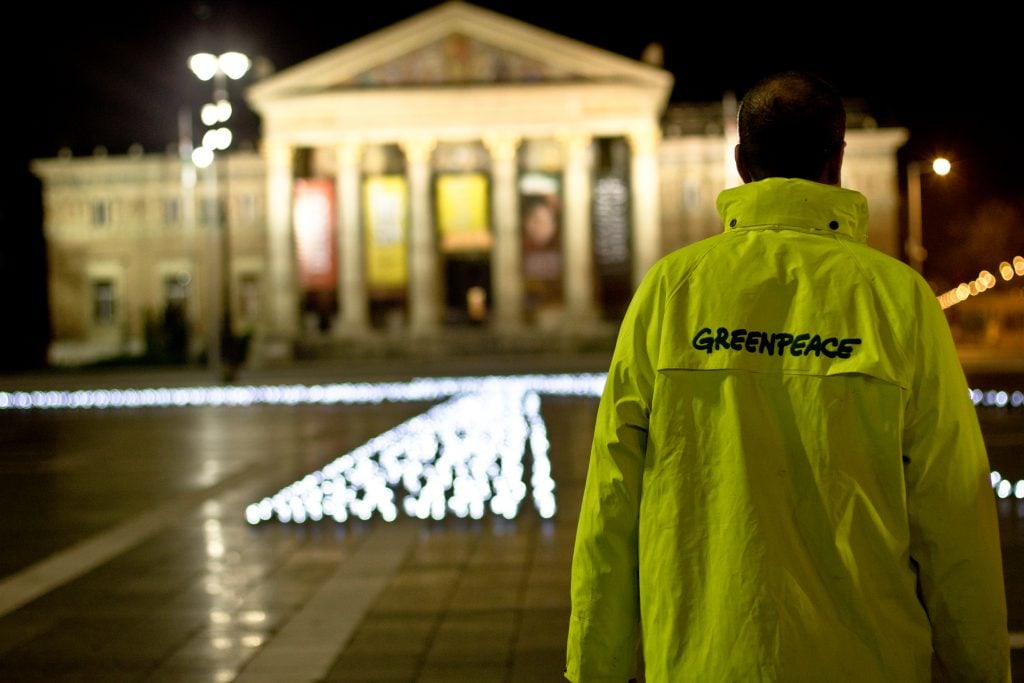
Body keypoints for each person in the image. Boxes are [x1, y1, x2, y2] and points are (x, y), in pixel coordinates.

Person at [565, 70, 1010, 682]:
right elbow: (955, 510)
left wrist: (596, 669)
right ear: (839, 159)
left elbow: (613, 503)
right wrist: (982, 670)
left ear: (741, 162)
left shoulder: (671, 292)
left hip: (705, 659)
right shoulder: (897, 301)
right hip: (867, 663)